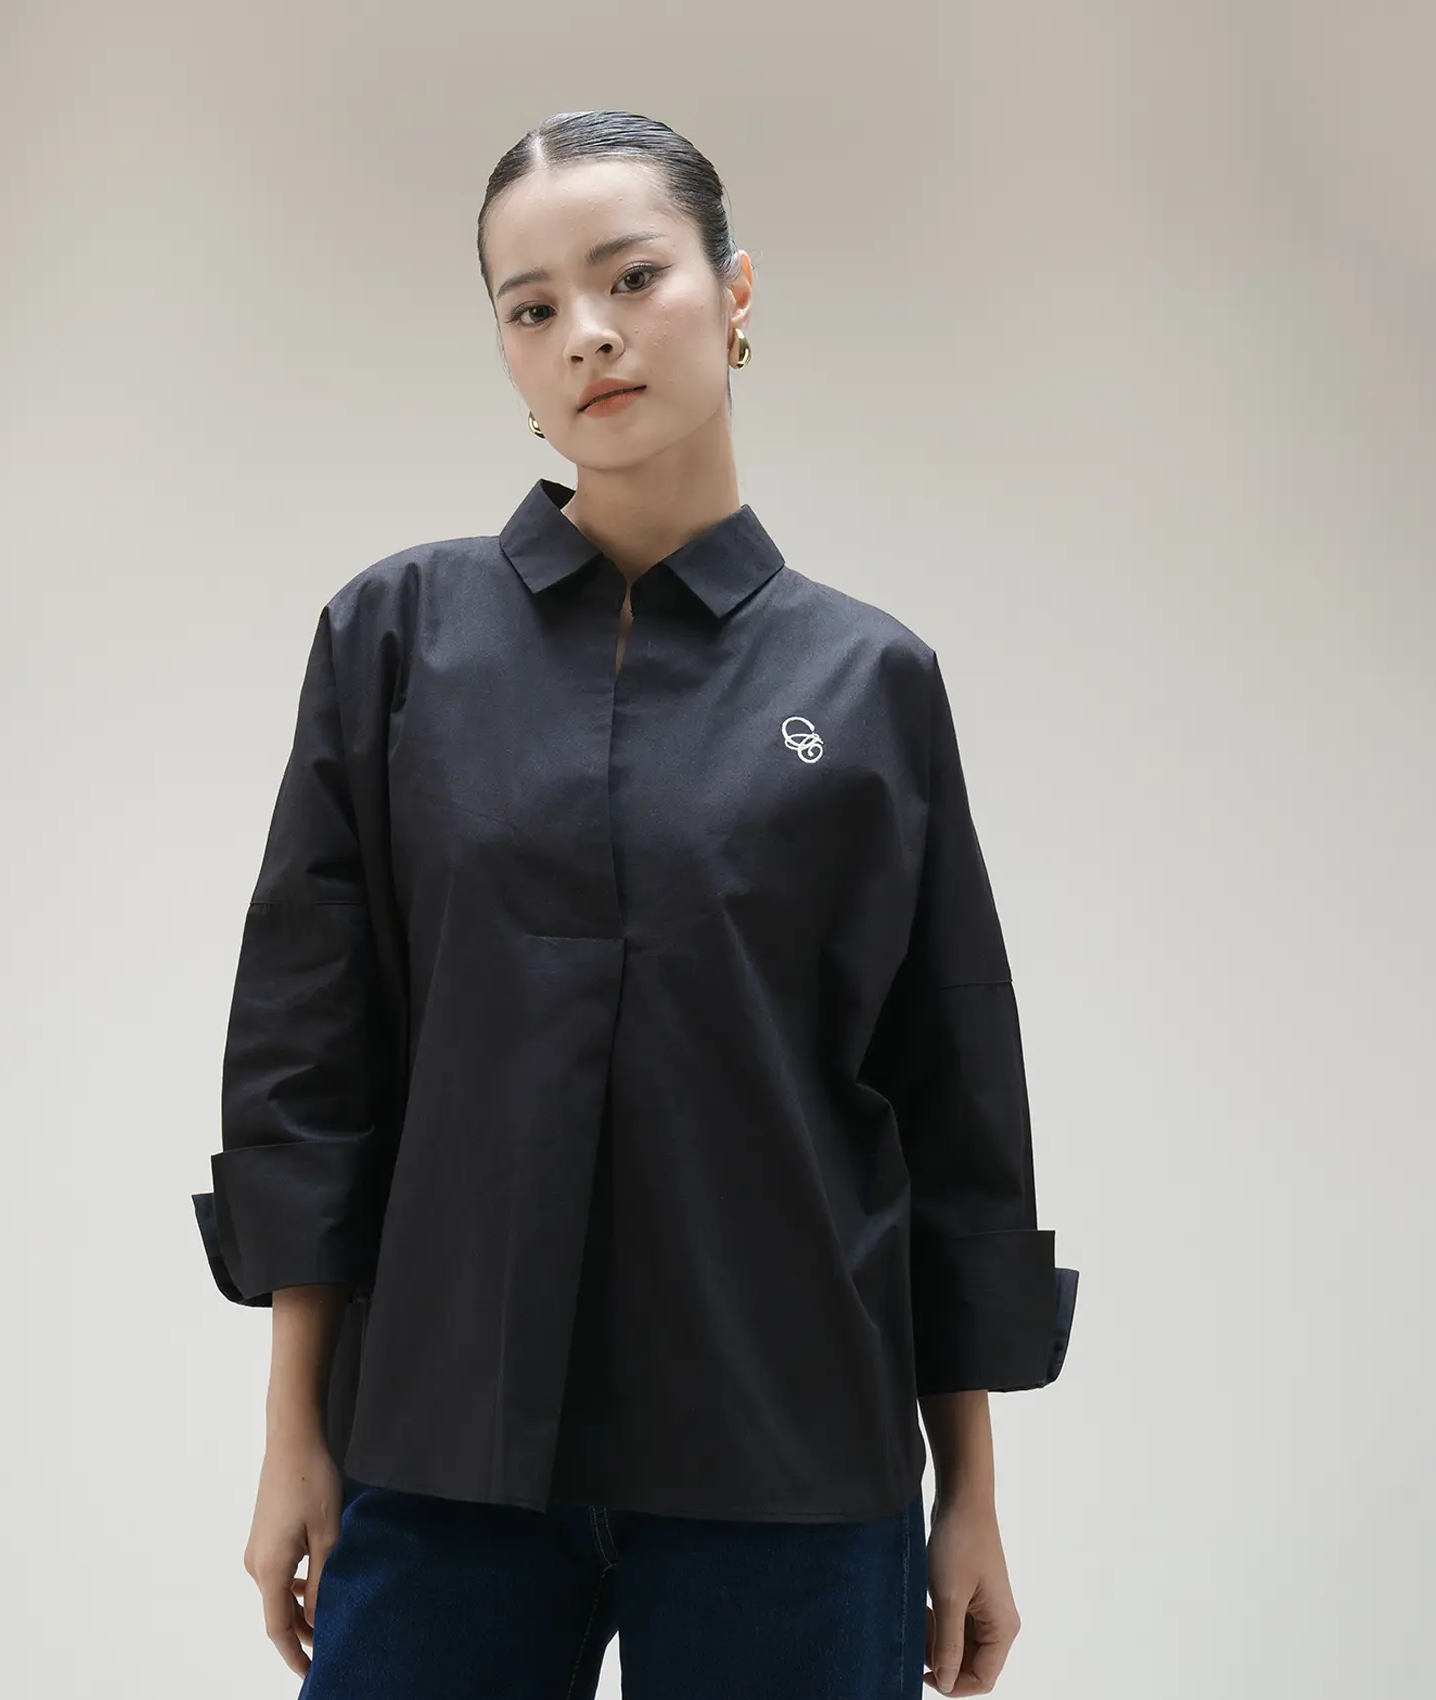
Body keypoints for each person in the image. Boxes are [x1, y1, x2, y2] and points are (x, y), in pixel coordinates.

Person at [191, 109, 1078, 1700]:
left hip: (790, 1454)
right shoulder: (396, 641)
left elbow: (948, 1103)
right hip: (447, 1444)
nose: (586, 334)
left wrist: (972, 1496)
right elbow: (310, 1059)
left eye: (631, 277)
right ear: (509, 359)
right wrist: (294, 1433)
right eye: (531, 307)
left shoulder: (869, 682)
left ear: (735, 293)